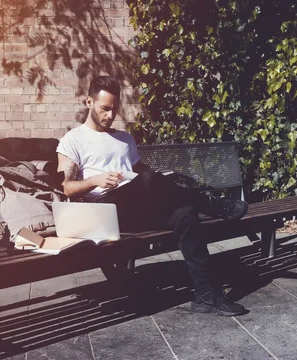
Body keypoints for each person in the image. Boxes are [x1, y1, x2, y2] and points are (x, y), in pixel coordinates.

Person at [56, 76, 248, 316]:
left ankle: (205, 294)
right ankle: (215, 206)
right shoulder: (73, 140)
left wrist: (162, 177)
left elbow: (144, 177)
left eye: (115, 109)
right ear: (88, 102)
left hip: (138, 207)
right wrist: (95, 180)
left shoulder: (124, 139)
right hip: (106, 212)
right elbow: (64, 187)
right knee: (150, 180)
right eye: (105, 108)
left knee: (185, 214)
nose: (111, 114)